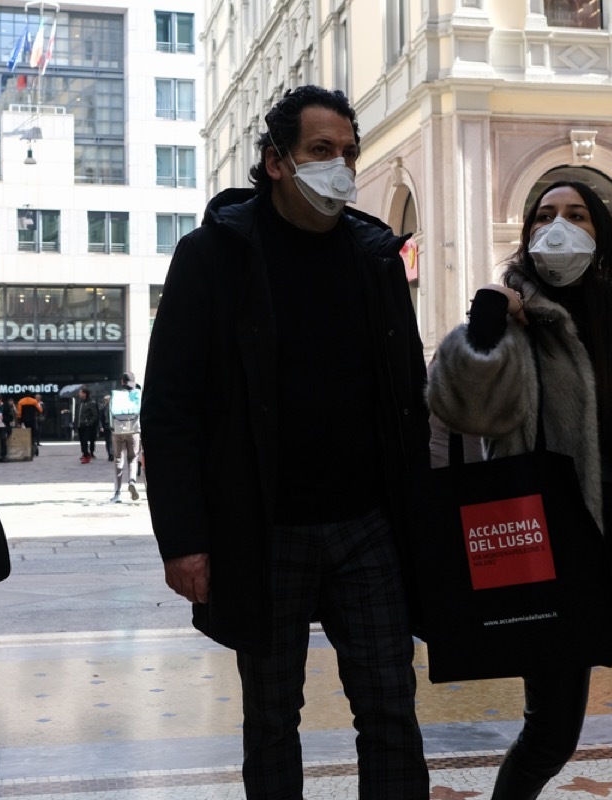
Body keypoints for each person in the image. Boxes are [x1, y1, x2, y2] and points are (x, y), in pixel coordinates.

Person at [142, 85, 431, 799]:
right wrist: (183, 539)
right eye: (321, 151)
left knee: (391, 706)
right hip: (263, 528)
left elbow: (407, 394)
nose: (340, 166)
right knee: (272, 717)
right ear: (276, 161)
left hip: (368, 525)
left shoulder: (375, 255)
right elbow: (171, 405)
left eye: (348, 152)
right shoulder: (214, 257)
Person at [426, 180, 612, 800]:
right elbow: (465, 407)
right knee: (552, 734)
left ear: (601, 233)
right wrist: (490, 322)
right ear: (527, 236)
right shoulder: (510, 318)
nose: (560, 227)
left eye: (577, 215)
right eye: (545, 216)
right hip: (551, 554)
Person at [109, 371, 141, 503]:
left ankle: (117, 493)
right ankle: (132, 481)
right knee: (133, 458)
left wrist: (112, 428)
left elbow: (110, 412)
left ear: (122, 382)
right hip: (134, 430)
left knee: (118, 459)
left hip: (117, 430)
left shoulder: (116, 394)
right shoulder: (138, 394)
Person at [74, 387, 99, 464]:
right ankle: (85, 454)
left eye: (80, 392)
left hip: (87, 426)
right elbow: (77, 414)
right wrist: (75, 423)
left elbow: (95, 415)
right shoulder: (79, 403)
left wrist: (89, 422)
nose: (79, 394)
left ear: (85, 394)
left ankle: (86, 455)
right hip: (80, 425)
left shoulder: (91, 403)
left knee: (85, 440)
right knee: (82, 441)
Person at [99, 394, 114, 461]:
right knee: (108, 441)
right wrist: (101, 426)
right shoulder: (103, 408)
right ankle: (110, 454)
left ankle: (112, 454)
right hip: (106, 426)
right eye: (105, 400)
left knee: (112, 441)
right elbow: (100, 418)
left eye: (107, 400)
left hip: (113, 426)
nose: (106, 401)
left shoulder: (114, 407)